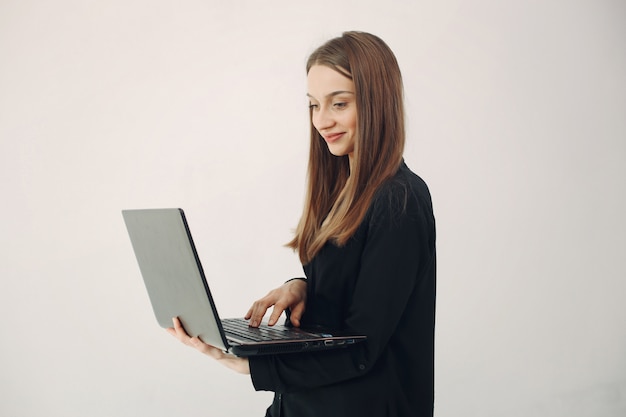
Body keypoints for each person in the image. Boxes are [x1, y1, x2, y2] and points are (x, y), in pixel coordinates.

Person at [168, 31, 436, 417]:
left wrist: (248, 365)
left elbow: (362, 346)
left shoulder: (401, 199)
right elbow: (354, 288)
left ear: (378, 102)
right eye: (313, 105)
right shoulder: (341, 189)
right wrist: (304, 287)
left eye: (338, 104)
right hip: (303, 404)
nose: (322, 121)